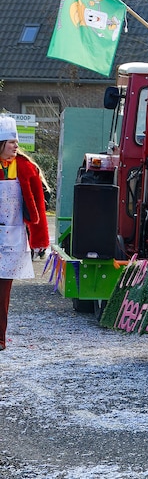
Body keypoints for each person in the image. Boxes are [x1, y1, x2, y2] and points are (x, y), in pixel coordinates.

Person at [0, 116, 49, 351]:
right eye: (11, 141)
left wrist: (41, 240)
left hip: (12, 238)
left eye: (16, 141)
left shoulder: (26, 168)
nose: (16, 145)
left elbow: (38, 206)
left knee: (3, 293)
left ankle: (0, 338)